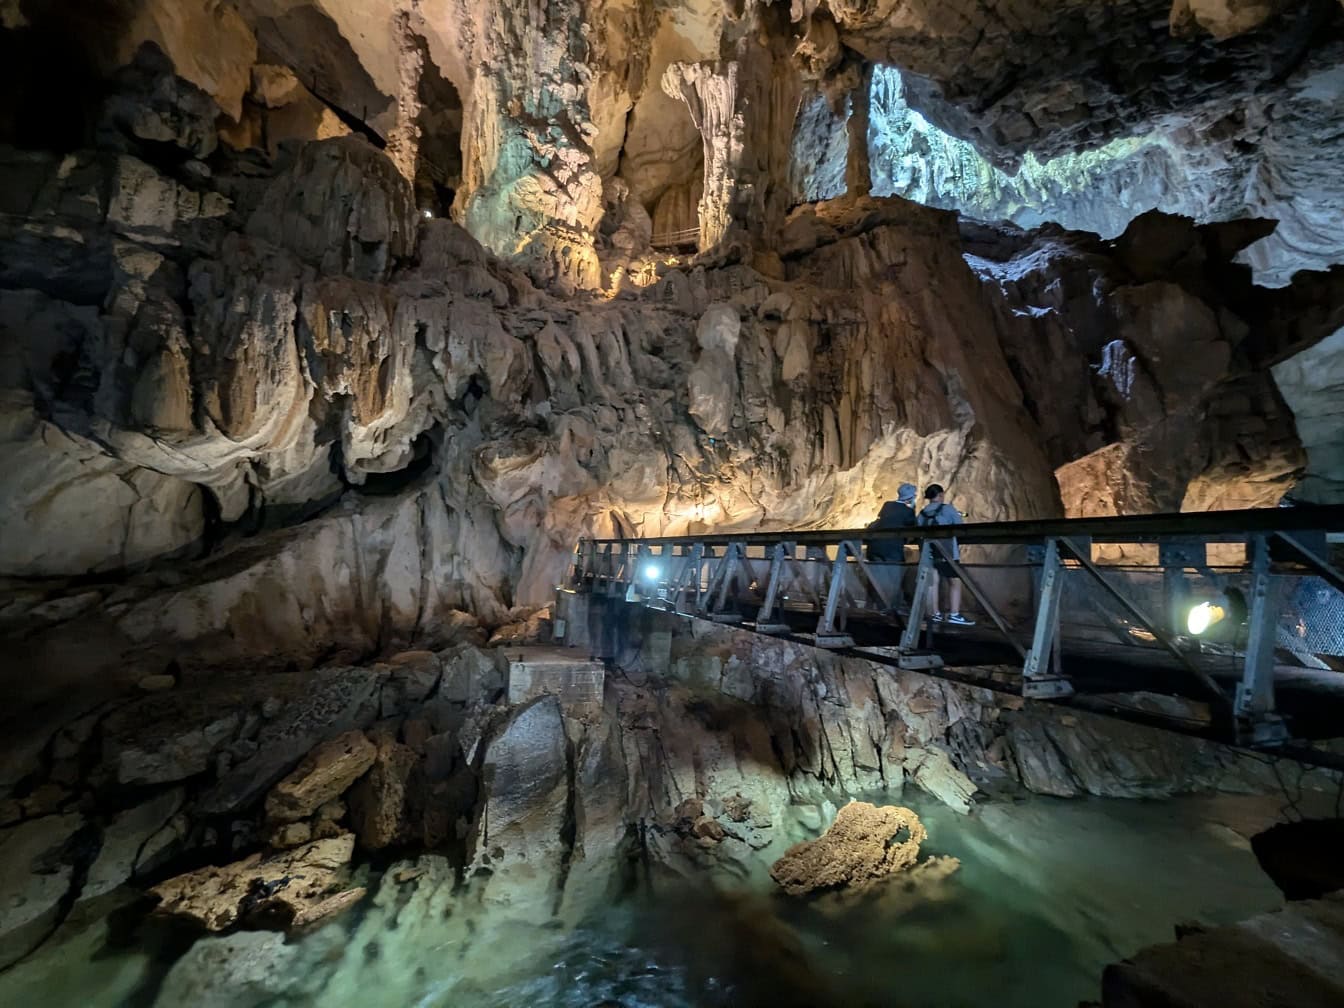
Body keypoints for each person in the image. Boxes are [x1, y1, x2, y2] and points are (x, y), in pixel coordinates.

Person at [917, 484, 976, 626]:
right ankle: (954, 614)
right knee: (955, 581)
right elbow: (959, 526)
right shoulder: (947, 509)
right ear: (941, 495)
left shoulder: (922, 513)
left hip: (928, 552)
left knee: (933, 582)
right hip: (947, 552)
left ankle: (934, 613)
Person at [866, 483, 918, 562]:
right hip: (892, 551)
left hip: (874, 548)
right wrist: (913, 508)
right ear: (911, 498)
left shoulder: (887, 505)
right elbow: (912, 528)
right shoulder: (908, 511)